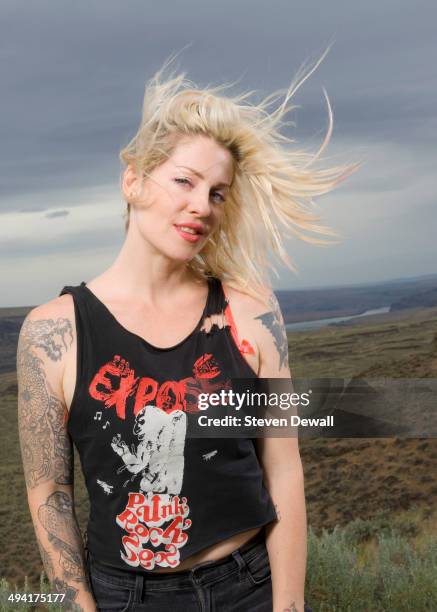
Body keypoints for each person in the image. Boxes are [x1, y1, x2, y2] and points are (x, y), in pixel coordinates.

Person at [17, 54, 356, 612]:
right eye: (184, 181)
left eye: (217, 193)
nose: (201, 205)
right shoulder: (53, 332)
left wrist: (290, 605)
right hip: (125, 596)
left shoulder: (252, 312)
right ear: (133, 181)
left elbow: (282, 464)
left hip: (250, 585)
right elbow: (49, 493)